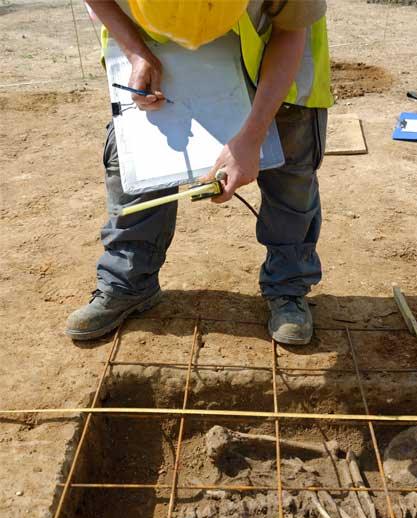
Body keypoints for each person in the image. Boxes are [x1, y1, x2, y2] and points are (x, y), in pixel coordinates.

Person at [66, 0, 333, 345]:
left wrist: (250, 138)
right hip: (157, 52)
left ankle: (289, 286)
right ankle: (128, 281)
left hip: (275, 47)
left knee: (291, 171)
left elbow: (290, 33)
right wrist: (136, 53)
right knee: (140, 160)